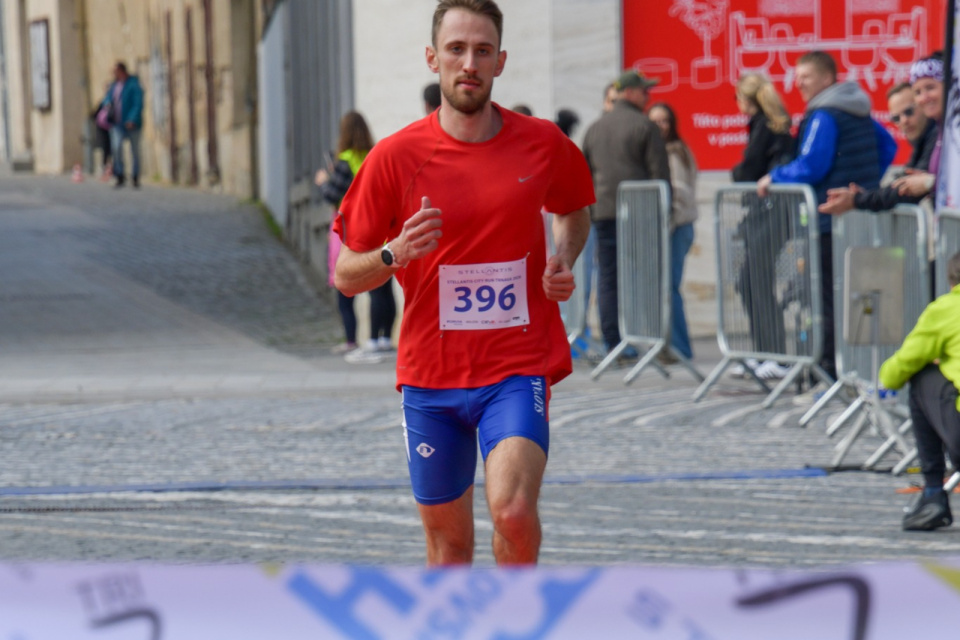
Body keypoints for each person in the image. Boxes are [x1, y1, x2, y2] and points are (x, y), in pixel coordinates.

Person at [332, 0, 594, 566]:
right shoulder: (394, 158)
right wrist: (393, 252)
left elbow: (573, 208)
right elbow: (346, 274)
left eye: (481, 51)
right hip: (431, 378)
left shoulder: (542, 143)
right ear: (433, 58)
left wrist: (563, 256)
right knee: (449, 547)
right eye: (456, 50)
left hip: (515, 366)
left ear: (500, 61)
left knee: (514, 513)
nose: (468, 63)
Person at [757, 51, 897, 379]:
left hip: (830, 221)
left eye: (805, 76)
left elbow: (811, 165)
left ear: (826, 78)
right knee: (858, 297)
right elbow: (888, 146)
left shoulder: (824, 113)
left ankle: (831, 372)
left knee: (829, 299)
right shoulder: (858, 109)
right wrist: (864, 185)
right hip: (861, 219)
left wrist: (773, 177)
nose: (798, 83)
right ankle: (860, 369)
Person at [582, 69, 670, 357]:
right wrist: (664, 211)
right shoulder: (645, 127)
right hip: (639, 214)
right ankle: (644, 338)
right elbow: (660, 176)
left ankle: (613, 343)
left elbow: (584, 174)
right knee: (642, 277)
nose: (648, 96)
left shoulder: (595, 128)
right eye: (644, 91)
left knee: (608, 279)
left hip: (603, 214)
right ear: (630, 93)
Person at [879, 252, 960, 531]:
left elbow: (900, 367)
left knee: (922, 376)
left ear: (951, 281)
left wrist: (884, 378)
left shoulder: (947, 308)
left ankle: (933, 492)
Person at [316, 111, 397, 360]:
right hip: (380, 227)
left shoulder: (346, 159)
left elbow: (333, 194)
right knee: (383, 286)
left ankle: (360, 340)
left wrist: (322, 182)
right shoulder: (374, 155)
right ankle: (383, 338)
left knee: (346, 285)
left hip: (351, 229)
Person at [730, 73, 795, 379]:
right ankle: (765, 351)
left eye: (738, 97)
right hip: (767, 213)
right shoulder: (769, 125)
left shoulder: (766, 127)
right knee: (750, 281)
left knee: (755, 280)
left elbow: (748, 169)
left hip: (773, 213)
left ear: (748, 99)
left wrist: (738, 172)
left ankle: (776, 355)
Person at [819, 80, 938, 215]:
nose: (904, 121)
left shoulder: (936, 137)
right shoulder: (922, 142)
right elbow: (900, 186)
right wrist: (867, 196)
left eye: (909, 111)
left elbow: (904, 191)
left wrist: (858, 199)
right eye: (896, 118)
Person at [648, 102, 697, 363]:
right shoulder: (662, 150)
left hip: (677, 227)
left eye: (664, 120)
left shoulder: (673, 152)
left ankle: (680, 347)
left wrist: (668, 224)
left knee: (670, 287)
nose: (660, 126)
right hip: (675, 227)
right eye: (654, 121)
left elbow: (679, 194)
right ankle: (671, 345)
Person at [100, 61, 144, 189]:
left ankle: (135, 176)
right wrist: (107, 103)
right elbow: (107, 98)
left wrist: (132, 119)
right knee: (117, 148)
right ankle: (119, 174)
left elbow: (138, 103)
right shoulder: (114, 85)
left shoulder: (133, 84)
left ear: (121, 70)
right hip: (117, 124)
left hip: (132, 124)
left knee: (134, 151)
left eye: (115, 71)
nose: (113, 73)